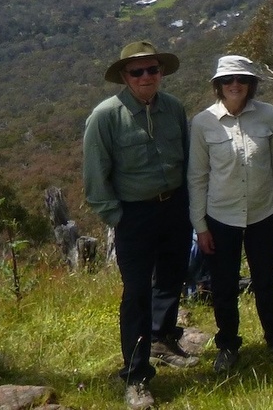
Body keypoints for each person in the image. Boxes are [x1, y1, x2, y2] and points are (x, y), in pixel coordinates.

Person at [84, 41, 198, 410]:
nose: (147, 77)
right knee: (136, 294)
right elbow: (96, 176)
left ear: (161, 73)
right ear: (124, 77)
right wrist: (116, 218)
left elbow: (186, 155)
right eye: (138, 72)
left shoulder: (174, 109)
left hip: (174, 206)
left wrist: (189, 205)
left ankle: (163, 339)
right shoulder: (105, 117)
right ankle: (136, 377)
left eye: (153, 70)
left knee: (172, 277)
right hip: (134, 214)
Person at [187, 55, 273, 373]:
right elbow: (197, 177)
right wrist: (200, 226)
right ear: (218, 85)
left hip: (264, 212)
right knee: (223, 286)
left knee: (266, 283)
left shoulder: (268, 115)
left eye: (242, 79)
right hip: (221, 216)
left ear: (251, 84)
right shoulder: (203, 122)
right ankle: (228, 346)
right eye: (228, 80)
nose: (235, 85)